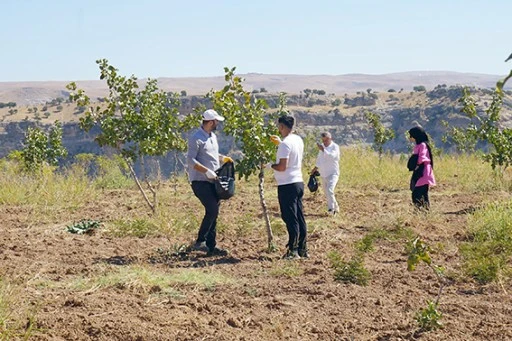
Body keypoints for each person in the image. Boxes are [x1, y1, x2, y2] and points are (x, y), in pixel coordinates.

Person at [187, 109, 233, 256]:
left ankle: (211, 246)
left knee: (215, 212)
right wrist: (206, 171)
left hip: (213, 181)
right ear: (211, 122)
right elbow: (190, 160)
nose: (218, 124)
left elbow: (210, 155)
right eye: (216, 121)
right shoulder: (196, 138)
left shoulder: (212, 136)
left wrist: (222, 158)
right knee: (212, 209)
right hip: (200, 181)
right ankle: (200, 241)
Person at [267, 115, 308, 259]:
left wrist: (269, 165)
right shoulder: (297, 139)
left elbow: (282, 167)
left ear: (282, 126)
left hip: (287, 185)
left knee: (290, 217)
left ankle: (293, 250)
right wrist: (280, 144)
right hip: (298, 182)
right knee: (299, 216)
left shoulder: (285, 144)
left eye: (279, 126)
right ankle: (303, 248)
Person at [310, 132, 340, 215]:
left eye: (326, 140)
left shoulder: (335, 147)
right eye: (323, 141)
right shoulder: (322, 147)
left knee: (330, 190)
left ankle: (331, 210)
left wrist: (323, 150)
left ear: (330, 139)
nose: (325, 142)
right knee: (327, 192)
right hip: (324, 173)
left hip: (333, 173)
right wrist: (315, 168)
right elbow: (320, 160)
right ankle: (336, 206)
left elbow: (332, 157)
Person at [407, 126, 436, 210]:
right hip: (422, 170)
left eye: (411, 136)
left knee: (417, 193)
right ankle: (425, 210)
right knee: (423, 192)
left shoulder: (422, 145)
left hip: (423, 171)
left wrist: (417, 166)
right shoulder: (419, 145)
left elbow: (422, 158)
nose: (410, 138)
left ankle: (419, 210)